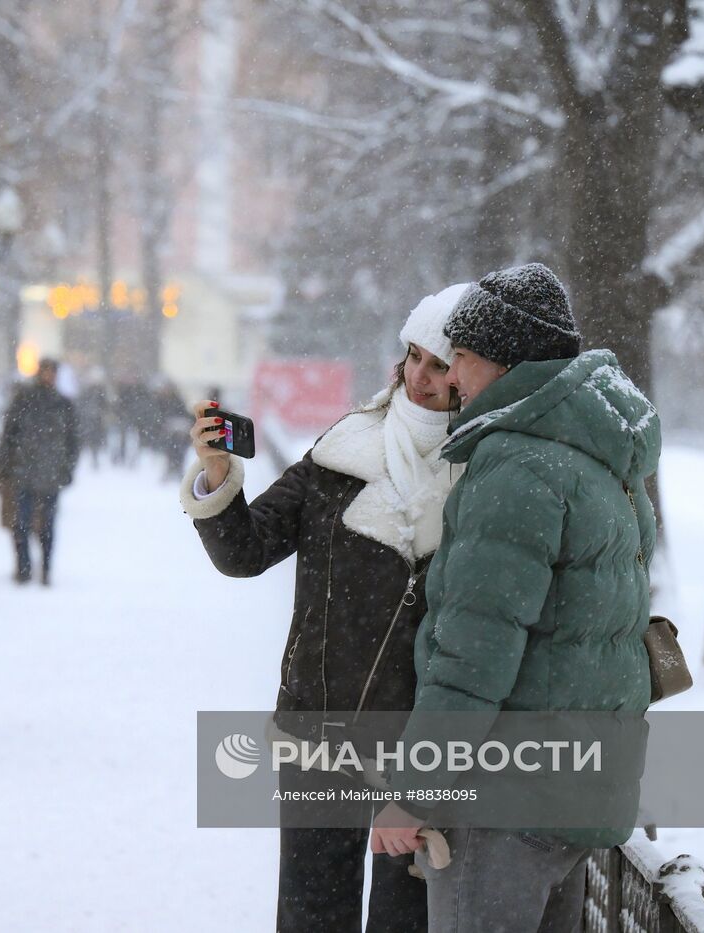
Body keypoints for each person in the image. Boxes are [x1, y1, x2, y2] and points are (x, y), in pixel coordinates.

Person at [368, 263, 660, 933]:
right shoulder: (599, 456)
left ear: (500, 362)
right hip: (579, 788)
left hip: (504, 801)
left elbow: (473, 657)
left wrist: (413, 793)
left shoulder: (517, 466)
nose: (449, 380)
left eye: (461, 359)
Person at [179, 284, 471, 933]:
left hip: (421, 745)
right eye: (414, 357)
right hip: (319, 732)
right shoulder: (343, 450)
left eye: (441, 364)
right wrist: (217, 474)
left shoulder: (483, 476)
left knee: (407, 920)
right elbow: (245, 550)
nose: (421, 377)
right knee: (312, 916)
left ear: (469, 376)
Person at [0, 357, 79, 585]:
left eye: (52, 372)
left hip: (50, 473)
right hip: (24, 471)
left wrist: (67, 468)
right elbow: (8, 435)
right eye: (46, 371)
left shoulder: (63, 404)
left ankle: (45, 568)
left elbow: (72, 441)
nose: (48, 376)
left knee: (47, 526)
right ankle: (23, 567)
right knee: (21, 523)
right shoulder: (23, 400)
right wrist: (6, 465)